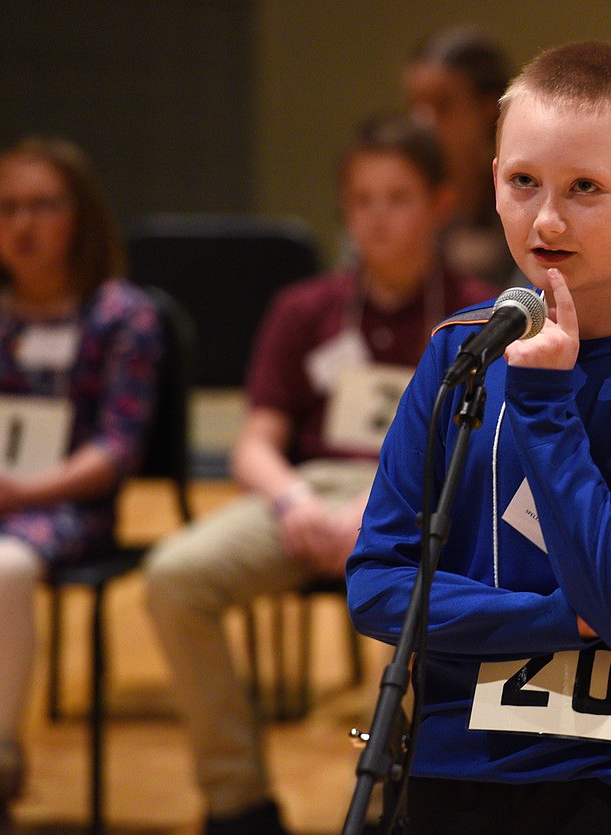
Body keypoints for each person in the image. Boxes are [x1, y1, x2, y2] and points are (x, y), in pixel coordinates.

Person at [347, 41, 611, 834]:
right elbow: (377, 584)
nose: (545, 218)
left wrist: (544, 399)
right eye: (523, 182)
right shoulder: (457, 350)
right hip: (449, 758)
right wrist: (564, 618)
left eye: (585, 189)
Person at [144, 113, 493, 835]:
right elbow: (253, 445)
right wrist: (295, 498)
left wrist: (377, 511)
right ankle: (237, 800)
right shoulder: (305, 308)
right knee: (175, 577)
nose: (376, 217)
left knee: (411, 609)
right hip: (310, 497)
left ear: (440, 205)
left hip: (424, 505)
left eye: (396, 198)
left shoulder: (479, 314)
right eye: (361, 200)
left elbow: (483, 454)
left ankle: (382, 807)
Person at [0, 137, 163, 833]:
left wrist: (18, 493)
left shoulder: (120, 314)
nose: (23, 224)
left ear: (80, 218)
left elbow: (116, 445)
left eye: (43, 206)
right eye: (7, 208)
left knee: (0, 568)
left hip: (59, 503)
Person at [405, 25, 518, 288]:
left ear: (488, 107)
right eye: (415, 104)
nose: (423, 122)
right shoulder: (395, 199)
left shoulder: (525, 194)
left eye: (443, 104)